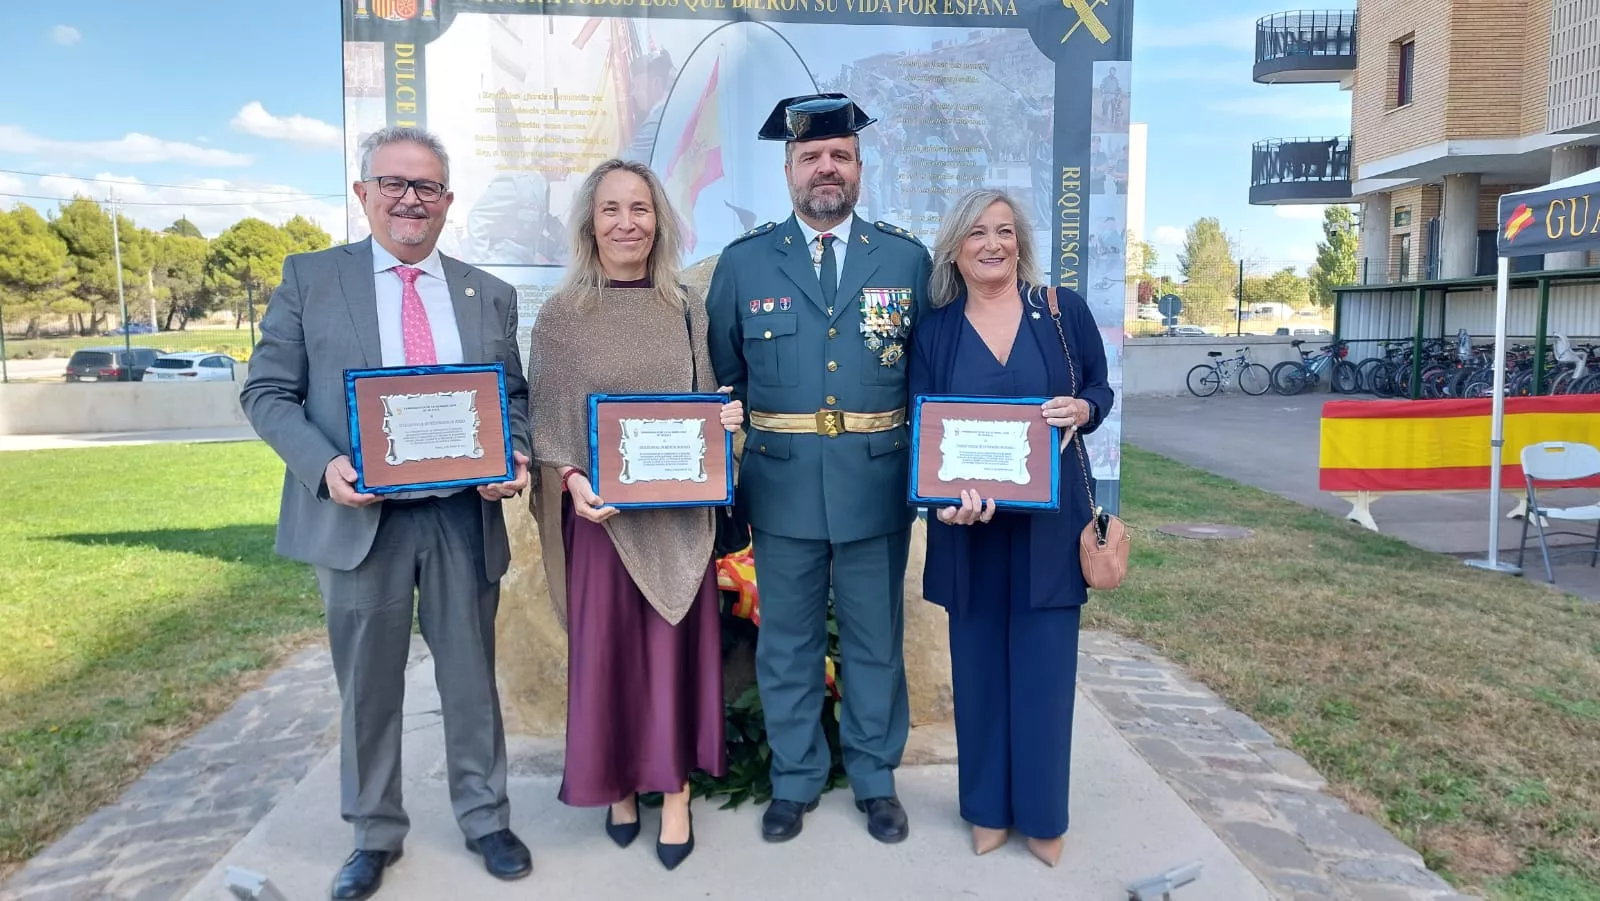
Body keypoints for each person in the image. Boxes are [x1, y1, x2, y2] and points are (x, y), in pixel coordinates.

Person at [240, 126, 534, 900]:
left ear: (446, 201)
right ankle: (373, 833)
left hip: (459, 519)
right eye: (394, 183)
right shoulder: (309, 278)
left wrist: (517, 456)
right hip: (358, 519)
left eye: (427, 186)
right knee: (368, 686)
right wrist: (323, 465)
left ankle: (485, 815)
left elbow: (513, 399)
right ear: (363, 191)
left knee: (471, 679)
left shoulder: (487, 292)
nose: (411, 199)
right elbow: (266, 391)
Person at [705, 93, 932, 845]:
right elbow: (725, 377)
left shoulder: (905, 259)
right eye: (811, 157)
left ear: (860, 168)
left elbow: (926, 378)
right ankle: (796, 778)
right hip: (783, 482)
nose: (825, 168)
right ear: (788, 171)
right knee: (788, 643)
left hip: (875, 480)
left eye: (839, 155)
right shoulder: (744, 264)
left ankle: (874, 777)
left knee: (874, 640)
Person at [527, 158, 738, 871]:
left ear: (659, 221)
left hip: (677, 519)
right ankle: (617, 783)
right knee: (610, 656)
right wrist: (573, 479)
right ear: (591, 221)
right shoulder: (562, 313)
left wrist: (725, 423)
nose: (627, 223)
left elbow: (705, 399)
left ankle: (673, 789)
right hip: (601, 523)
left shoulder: (685, 307)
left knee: (671, 654)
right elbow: (549, 423)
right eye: (612, 209)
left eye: (641, 209)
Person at [906, 188, 1114, 867]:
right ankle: (987, 809)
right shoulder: (935, 329)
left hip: (1051, 531)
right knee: (979, 672)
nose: (992, 243)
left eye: (1004, 230)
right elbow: (921, 423)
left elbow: (1101, 390)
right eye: (976, 234)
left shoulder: (1060, 313)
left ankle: (1044, 815)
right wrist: (938, 499)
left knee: (1045, 672)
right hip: (969, 530)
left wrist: (1082, 409)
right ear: (955, 251)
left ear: (1019, 240)